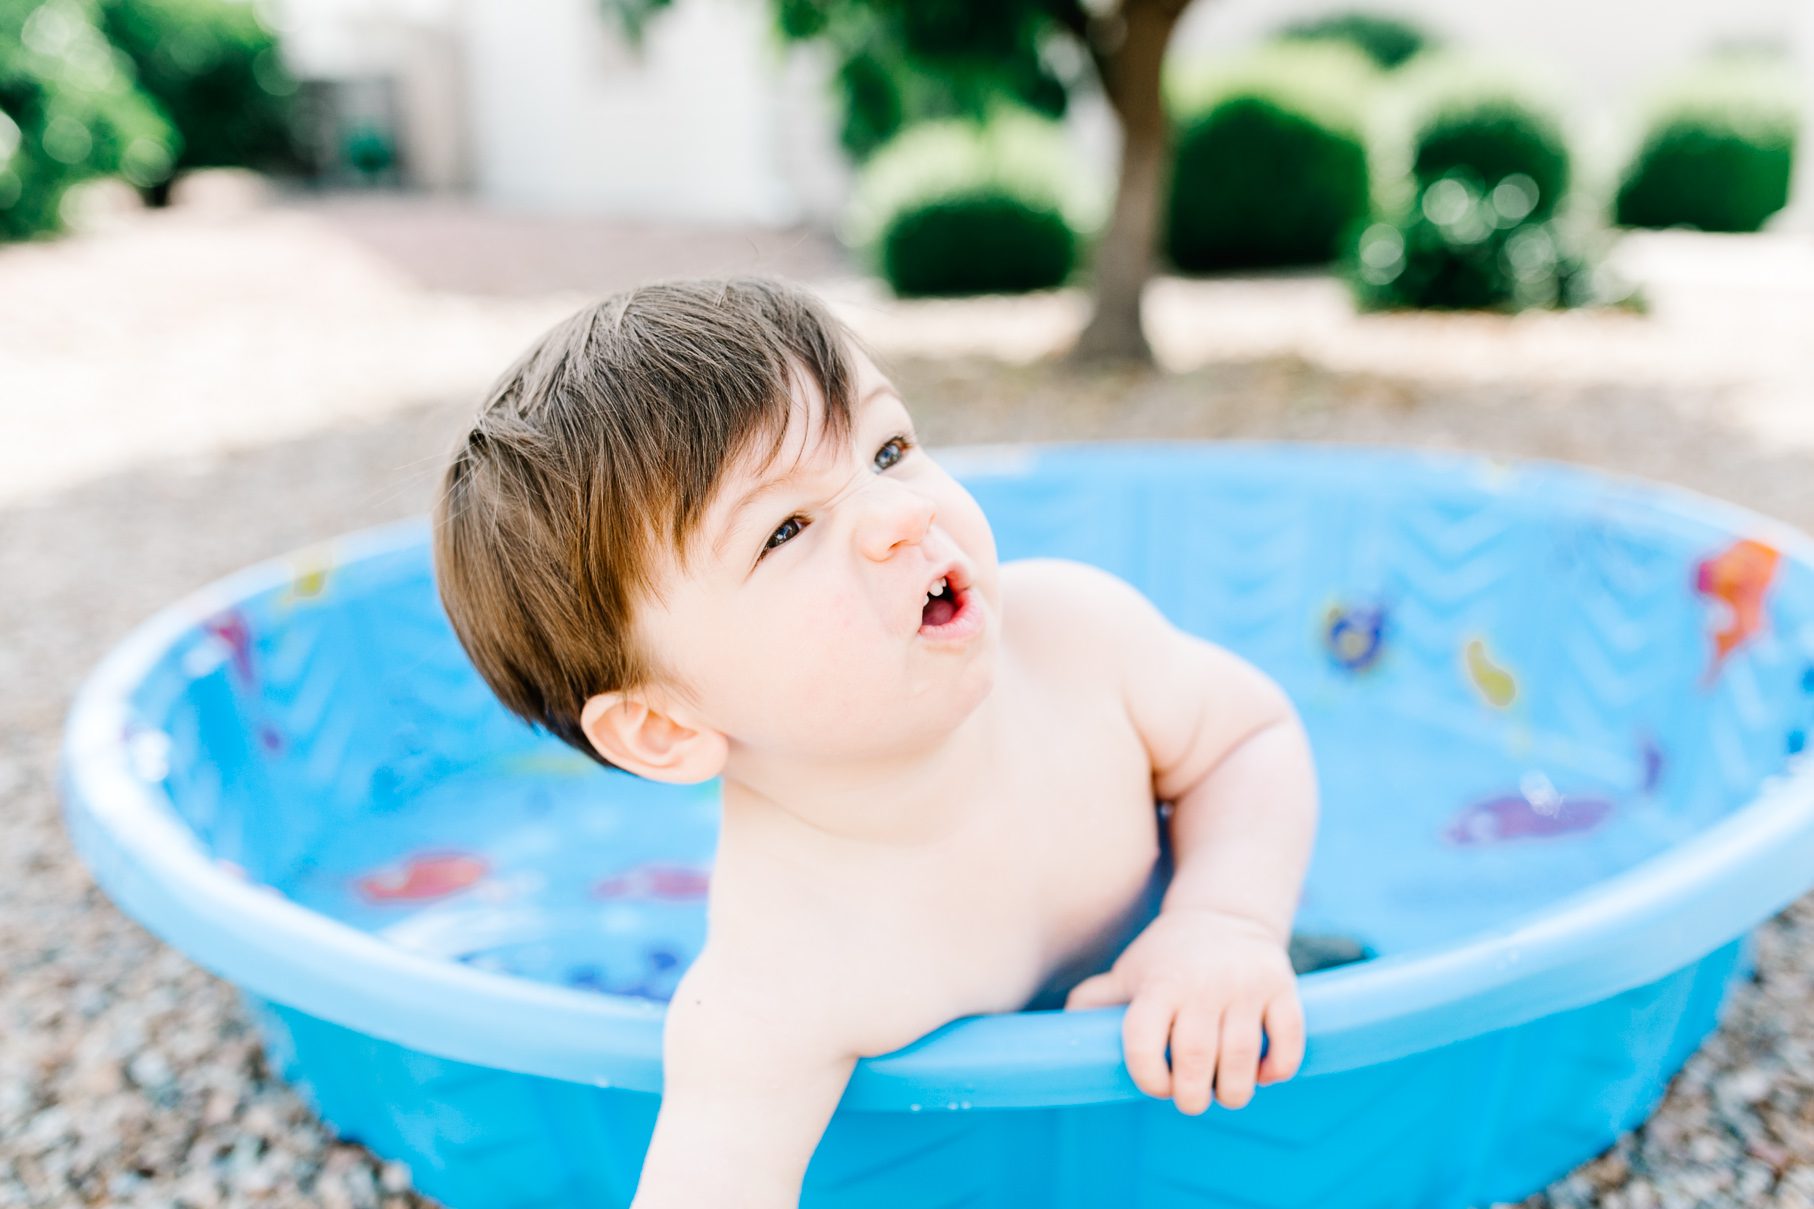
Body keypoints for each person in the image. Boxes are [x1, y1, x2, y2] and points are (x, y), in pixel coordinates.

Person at [431, 275, 1370, 1208]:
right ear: (665, 725)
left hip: (1210, 980)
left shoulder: (1077, 640)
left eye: (887, 448)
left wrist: (1226, 920)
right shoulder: (778, 980)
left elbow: (1246, 735)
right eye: (787, 528)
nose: (902, 513)